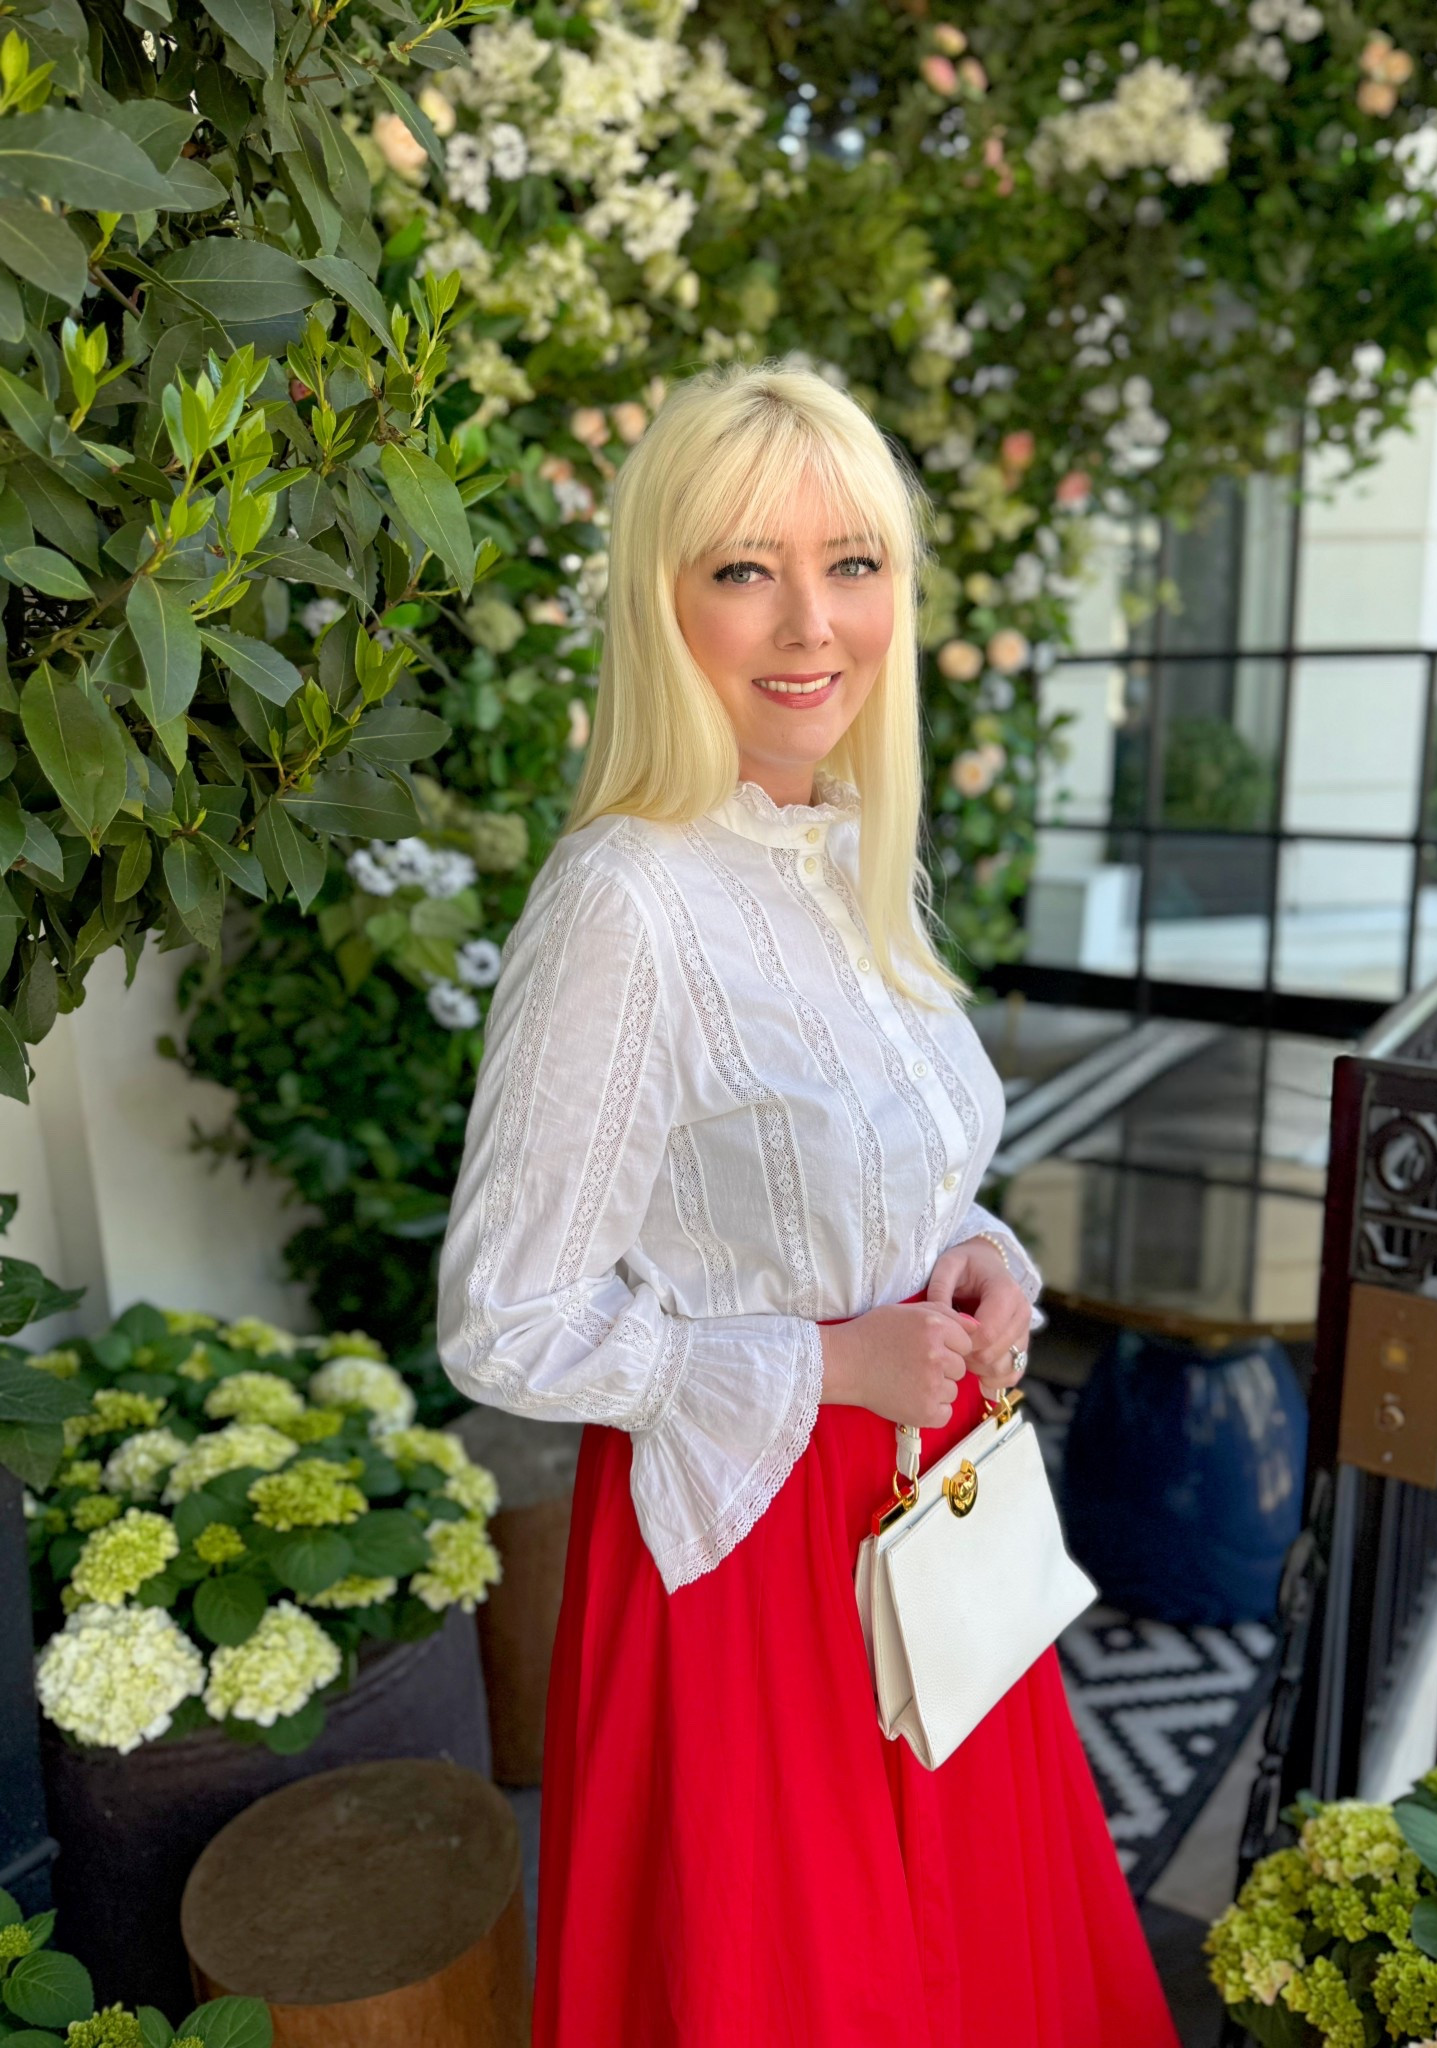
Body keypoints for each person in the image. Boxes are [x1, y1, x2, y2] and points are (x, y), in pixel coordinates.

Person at [437, 361, 1180, 2046]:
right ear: (661, 600)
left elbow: (900, 1168)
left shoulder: (849, 843)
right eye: (741, 568)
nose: (810, 621)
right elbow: (505, 1317)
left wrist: (978, 1259)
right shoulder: (627, 898)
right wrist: (830, 1367)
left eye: (851, 563)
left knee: (974, 1977)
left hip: (929, 1533)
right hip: (751, 1569)